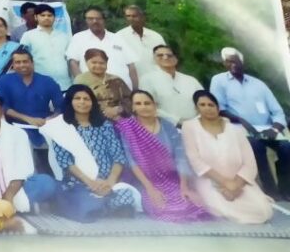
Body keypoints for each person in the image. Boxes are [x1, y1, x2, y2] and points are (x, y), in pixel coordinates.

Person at [39, 85, 140, 222]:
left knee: (126, 197)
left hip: (107, 182)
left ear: (92, 102)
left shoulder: (104, 125)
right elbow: (65, 161)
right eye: (77, 98)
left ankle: (101, 206)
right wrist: (91, 183)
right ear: (70, 101)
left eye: (86, 99)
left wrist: (110, 182)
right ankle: (100, 206)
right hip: (78, 183)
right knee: (86, 203)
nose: (82, 102)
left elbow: (118, 156)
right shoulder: (61, 128)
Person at [115, 90, 211, 222]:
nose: (143, 107)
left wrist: (184, 186)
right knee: (161, 207)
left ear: (155, 105)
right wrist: (150, 189)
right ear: (133, 107)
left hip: (172, 178)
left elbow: (180, 157)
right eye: (138, 103)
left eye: (147, 103)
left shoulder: (167, 126)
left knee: (193, 203)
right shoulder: (127, 128)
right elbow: (132, 162)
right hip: (144, 181)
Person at [180, 90, 274, 223]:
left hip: (239, 181)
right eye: (202, 105)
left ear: (218, 108)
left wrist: (236, 186)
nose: (207, 108)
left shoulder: (236, 130)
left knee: (264, 211)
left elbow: (250, 163)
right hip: (209, 180)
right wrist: (225, 183)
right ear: (196, 108)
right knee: (220, 209)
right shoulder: (189, 127)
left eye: (211, 105)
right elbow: (194, 160)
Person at [209, 47, 290, 198]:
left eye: (235, 61)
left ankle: (285, 190)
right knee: (256, 147)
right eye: (228, 61)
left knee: (287, 148)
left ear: (242, 62)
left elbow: (277, 111)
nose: (232, 65)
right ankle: (271, 191)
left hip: (266, 129)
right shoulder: (219, 81)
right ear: (224, 64)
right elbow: (220, 108)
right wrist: (243, 121)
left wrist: (275, 129)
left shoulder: (258, 84)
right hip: (240, 128)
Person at [0, 94, 59, 213]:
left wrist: (9, 196)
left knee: (46, 183)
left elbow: (24, 167)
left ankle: (3, 206)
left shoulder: (18, 133)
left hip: (12, 187)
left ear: (2, 109)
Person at [0, 48, 63, 146]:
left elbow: (61, 106)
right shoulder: (5, 80)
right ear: (13, 65)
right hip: (16, 128)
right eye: (18, 62)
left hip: (44, 127)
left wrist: (51, 119)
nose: (22, 65)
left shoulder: (47, 81)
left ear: (32, 63)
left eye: (25, 61)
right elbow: (2, 106)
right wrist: (28, 119)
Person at [66, 6, 136, 89]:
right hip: (93, 90)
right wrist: (83, 85)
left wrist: (135, 90)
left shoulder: (117, 38)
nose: (95, 21)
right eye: (90, 19)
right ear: (86, 20)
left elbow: (131, 66)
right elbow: (73, 63)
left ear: (104, 19)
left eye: (98, 18)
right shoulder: (78, 38)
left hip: (122, 89)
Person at [138, 45, 203, 125]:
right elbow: (147, 106)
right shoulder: (147, 79)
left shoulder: (191, 80)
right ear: (154, 59)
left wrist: (196, 121)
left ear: (177, 58)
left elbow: (204, 101)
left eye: (169, 55)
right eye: (160, 55)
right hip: (164, 126)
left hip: (195, 125)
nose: (165, 58)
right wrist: (177, 121)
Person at [19, 3, 71, 90]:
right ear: (36, 17)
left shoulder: (63, 36)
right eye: (42, 15)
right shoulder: (28, 35)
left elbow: (69, 59)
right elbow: (23, 58)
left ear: (54, 18)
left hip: (65, 84)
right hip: (40, 85)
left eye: (50, 15)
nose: (46, 18)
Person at [73, 48, 132, 120]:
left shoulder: (116, 79)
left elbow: (130, 99)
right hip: (93, 119)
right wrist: (104, 111)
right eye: (94, 62)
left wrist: (119, 109)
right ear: (86, 62)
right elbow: (78, 102)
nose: (98, 65)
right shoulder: (80, 80)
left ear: (106, 63)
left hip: (120, 117)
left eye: (101, 63)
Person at [115, 5, 166, 80]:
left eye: (134, 16)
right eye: (128, 16)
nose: (131, 19)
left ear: (142, 17)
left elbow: (165, 58)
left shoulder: (155, 36)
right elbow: (116, 60)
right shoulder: (119, 36)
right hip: (132, 80)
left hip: (156, 79)